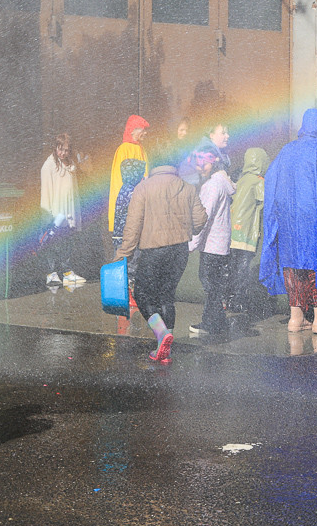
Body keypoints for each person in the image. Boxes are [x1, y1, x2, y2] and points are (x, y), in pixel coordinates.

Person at [115, 137, 208, 363]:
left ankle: (161, 333)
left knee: (142, 295)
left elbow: (132, 228)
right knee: (167, 296)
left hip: (153, 252)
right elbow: (200, 219)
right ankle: (166, 347)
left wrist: (121, 257)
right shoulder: (187, 187)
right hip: (179, 252)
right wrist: (186, 228)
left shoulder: (143, 188)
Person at [260, 109, 317, 335]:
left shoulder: (286, 150)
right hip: (314, 217)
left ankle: (296, 319)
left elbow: (271, 180)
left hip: (288, 219)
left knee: (293, 265)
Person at [189, 153, 236, 335]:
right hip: (220, 243)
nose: (200, 166)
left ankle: (212, 323)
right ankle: (217, 321)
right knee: (214, 285)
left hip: (211, 244)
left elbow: (203, 217)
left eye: (204, 162)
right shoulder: (222, 183)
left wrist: (192, 244)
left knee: (209, 284)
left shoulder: (212, 186)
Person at [228, 148, 270, 313]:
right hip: (247, 230)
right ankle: (239, 300)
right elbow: (265, 201)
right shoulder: (258, 181)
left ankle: (230, 298)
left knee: (233, 264)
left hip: (234, 229)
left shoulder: (242, 179)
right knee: (243, 266)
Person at [40, 133, 85, 287]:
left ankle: (66, 271)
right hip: (55, 212)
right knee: (52, 242)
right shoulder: (49, 165)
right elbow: (46, 191)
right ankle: (51, 273)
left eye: (66, 150)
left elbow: (74, 190)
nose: (63, 153)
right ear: (55, 148)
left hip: (69, 210)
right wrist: (48, 214)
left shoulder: (71, 164)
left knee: (67, 241)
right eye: (60, 149)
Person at [108, 115, 149, 242]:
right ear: (133, 131)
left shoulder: (142, 149)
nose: (145, 133)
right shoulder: (123, 150)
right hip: (127, 205)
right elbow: (118, 183)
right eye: (143, 130)